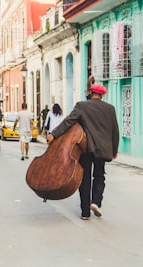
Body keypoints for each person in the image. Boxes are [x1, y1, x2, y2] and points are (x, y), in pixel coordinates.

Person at [47, 84, 119, 220]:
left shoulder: (81, 106)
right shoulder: (110, 109)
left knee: (84, 178)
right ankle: (96, 202)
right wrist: (114, 150)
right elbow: (115, 131)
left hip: (86, 148)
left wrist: (54, 134)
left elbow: (68, 122)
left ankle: (85, 212)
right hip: (103, 149)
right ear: (102, 95)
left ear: (91, 93)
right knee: (99, 175)